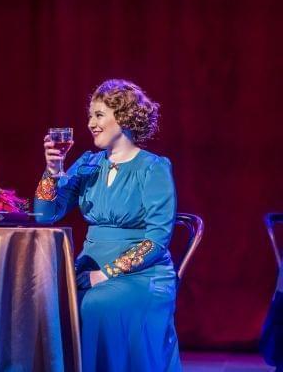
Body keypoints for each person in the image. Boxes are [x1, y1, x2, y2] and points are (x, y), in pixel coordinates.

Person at [34, 79, 181, 371]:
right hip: (88, 267)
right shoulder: (89, 162)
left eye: (99, 115)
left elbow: (157, 239)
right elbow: (45, 215)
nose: (91, 123)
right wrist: (52, 172)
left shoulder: (153, 167)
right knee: (45, 302)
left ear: (123, 117)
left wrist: (106, 274)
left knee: (96, 304)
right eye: (90, 115)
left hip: (142, 274)